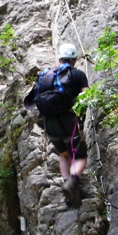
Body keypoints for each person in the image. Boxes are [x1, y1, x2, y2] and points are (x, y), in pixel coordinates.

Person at [24, 42, 88, 208]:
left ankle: (68, 190)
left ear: (59, 58)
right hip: (69, 119)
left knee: (64, 154)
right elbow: (86, 97)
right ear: (74, 60)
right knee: (80, 155)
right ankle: (72, 182)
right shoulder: (78, 74)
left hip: (50, 122)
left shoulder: (45, 75)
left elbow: (30, 101)